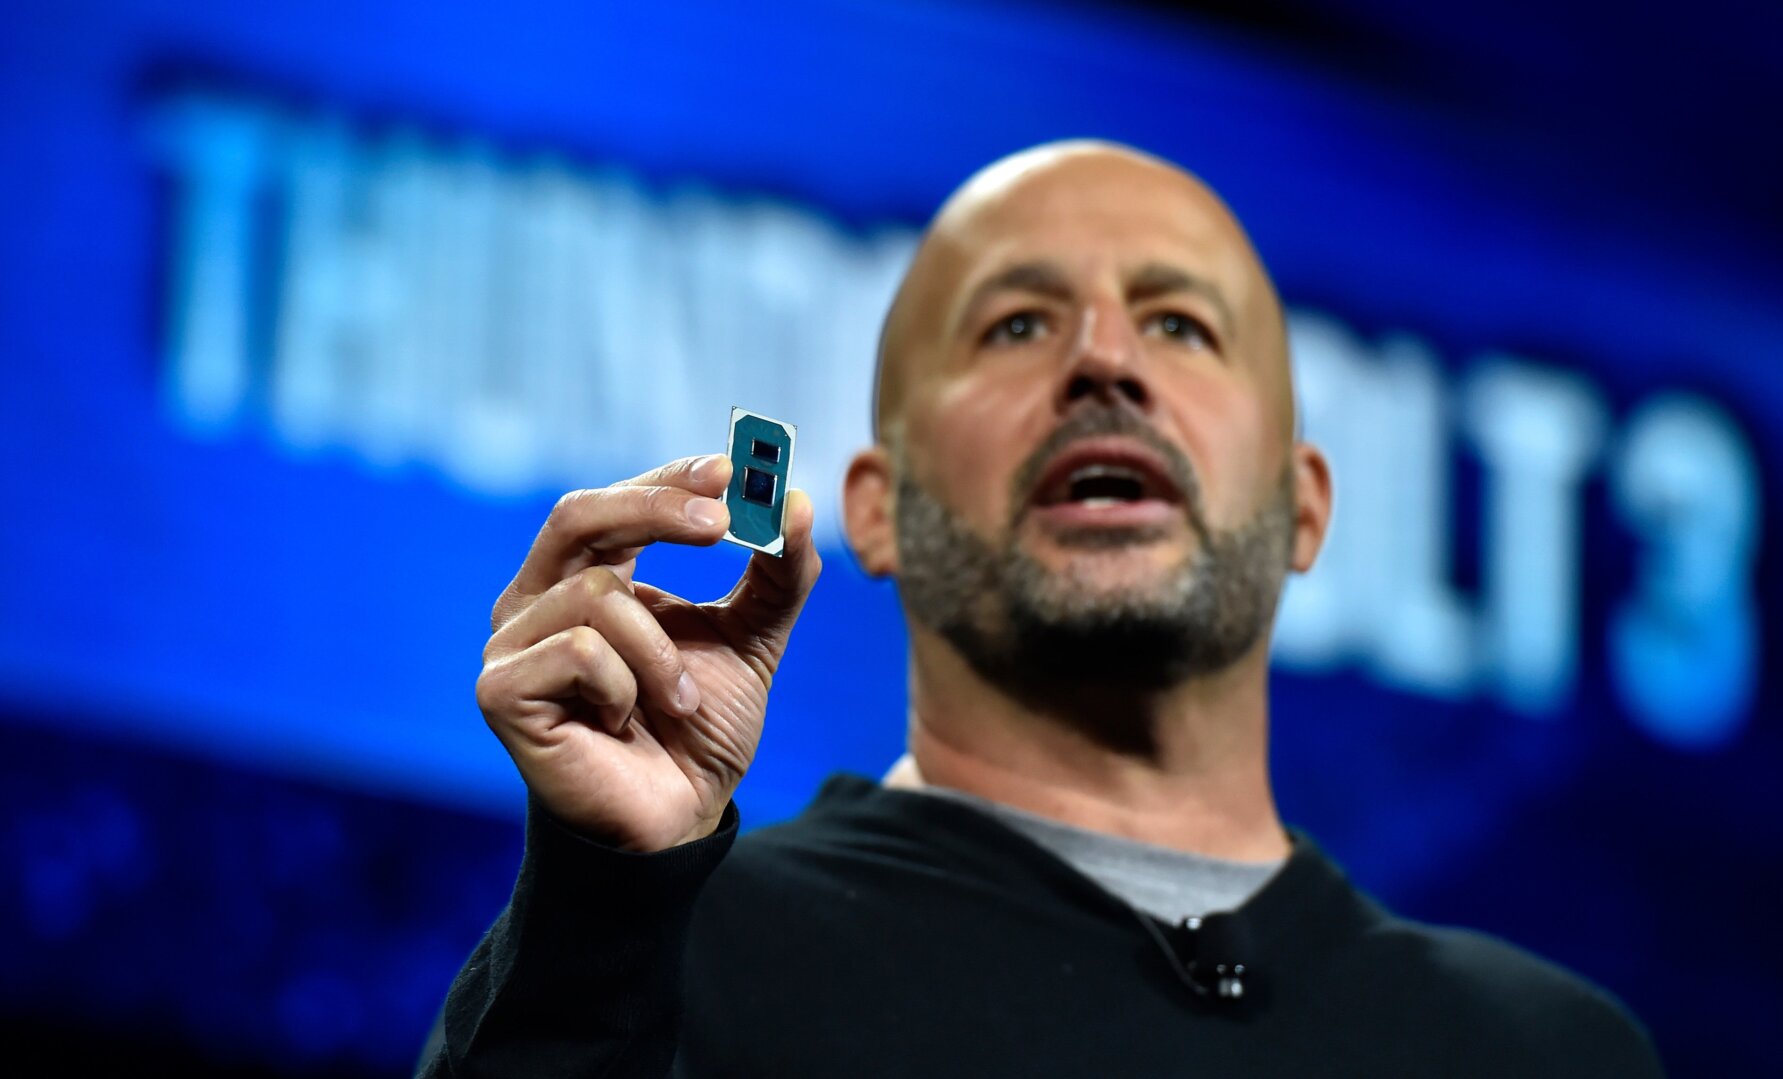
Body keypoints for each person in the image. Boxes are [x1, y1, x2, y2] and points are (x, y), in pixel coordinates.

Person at [419, 141, 1664, 1077]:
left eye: (1181, 324)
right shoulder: (663, 967)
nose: (1105, 360)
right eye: (1017, 322)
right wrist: (600, 916)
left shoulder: (1548, 1049)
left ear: (1302, 506)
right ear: (880, 508)